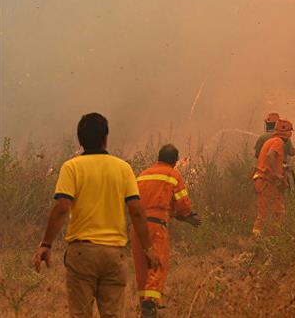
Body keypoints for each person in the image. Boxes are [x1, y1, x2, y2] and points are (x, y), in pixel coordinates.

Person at [33, 113, 160, 318]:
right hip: (114, 255)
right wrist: (148, 248)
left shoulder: (71, 167)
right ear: (105, 138)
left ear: (80, 140)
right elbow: (136, 211)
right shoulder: (123, 168)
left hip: (82, 253)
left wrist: (46, 244)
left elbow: (62, 207)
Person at [131, 144, 200, 318]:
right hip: (156, 226)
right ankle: (150, 304)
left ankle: (144, 305)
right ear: (175, 161)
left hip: (136, 227)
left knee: (141, 267)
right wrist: (187, 216)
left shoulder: (143, 174)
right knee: (158, 264)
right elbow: (182, 203)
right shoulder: (173, 175)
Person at [252, 118, 294, 236]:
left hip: (262, 180)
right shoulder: (278, 142)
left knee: (266, 212)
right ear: (287, 133)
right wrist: (277, 174)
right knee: (277, 211)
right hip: (267, 181)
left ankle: (262, 237)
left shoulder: (270, 140)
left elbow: (268, 159)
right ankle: (274, 236)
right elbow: (270, 156)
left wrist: (282, 168)